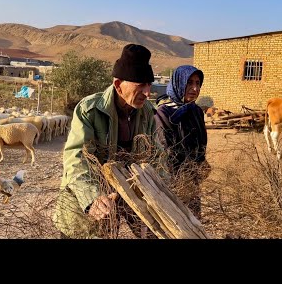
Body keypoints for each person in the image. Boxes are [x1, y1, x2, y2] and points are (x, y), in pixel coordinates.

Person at [53, 43, 162, 239]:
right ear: (118, 84)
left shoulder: (146, 113)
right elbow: (76, 159)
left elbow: (156, 156)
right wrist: (93, 198)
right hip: (83, 205)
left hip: (116, 204)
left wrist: (163, 194)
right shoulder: (89, 110)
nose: (147, 93)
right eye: (140, 85)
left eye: (149, 85)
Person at [154, 65, 210, 220]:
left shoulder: (196, 111)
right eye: (189, 83)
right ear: (178, 83)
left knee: (194, 223)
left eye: (198, 83)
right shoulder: (164, 113)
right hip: (174, 182)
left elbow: (201, 144)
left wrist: (201, 164)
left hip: (193, 180)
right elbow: (166, 151)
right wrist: (181, 179)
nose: (195, 88)